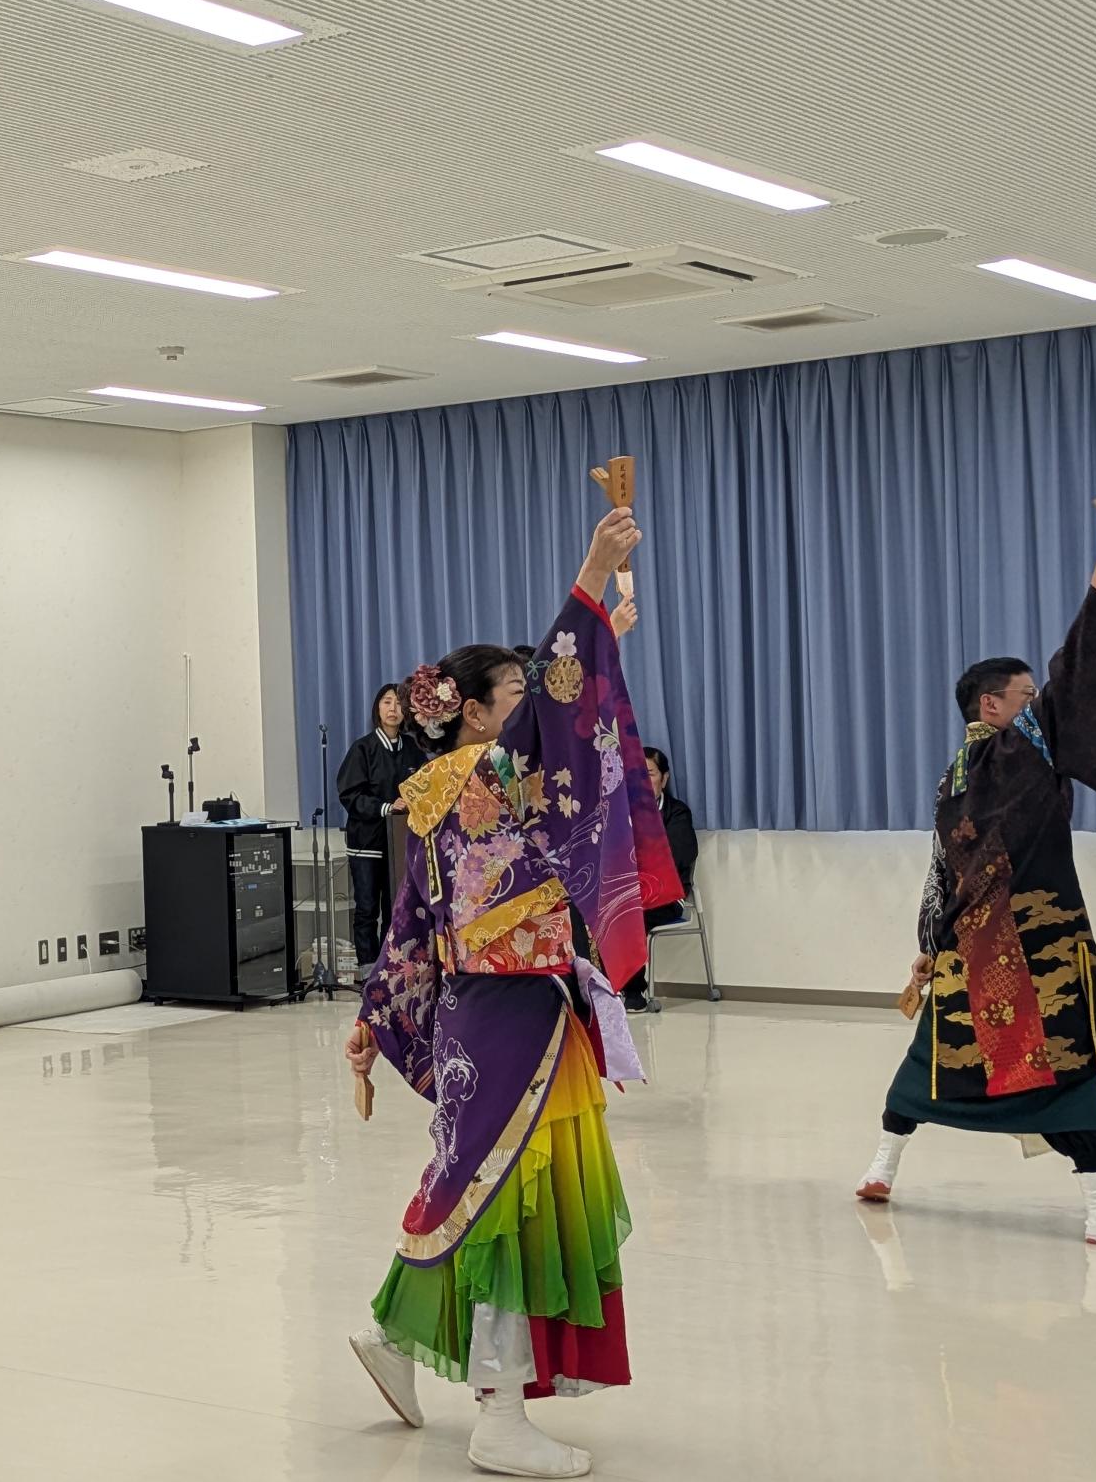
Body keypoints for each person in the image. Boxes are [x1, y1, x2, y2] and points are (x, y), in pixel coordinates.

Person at [344, 509, 680, 1479]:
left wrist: (374, 1013)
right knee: (509, 1200)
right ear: (481, 714)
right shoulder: (494, 773)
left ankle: (391, 1336)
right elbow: (563, 711)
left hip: (482, 1009)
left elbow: (408, 923)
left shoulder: (436, 791)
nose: (530, 706)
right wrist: (592, 575)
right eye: (514, 695)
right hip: (512, 1012)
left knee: (472, 1180)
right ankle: (497, 1413)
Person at [858, 522, 1096, 1243]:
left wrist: (930, 944)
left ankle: (881, 1167)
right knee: (1067, 1068)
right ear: (991, 706)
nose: (1040, 704)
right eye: (1026, 696)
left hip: (968, 947)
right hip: (1036, 949)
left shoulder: (952, 777)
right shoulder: (1018, 754)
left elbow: (939, 871)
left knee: (933, 1058)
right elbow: (1078, 668)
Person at [336, 685, 427, 970]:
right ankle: (367, 969)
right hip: (367, 842)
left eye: (398, 703)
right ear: (377, 708)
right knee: (366, 908)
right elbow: (350, 794)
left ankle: (390, 967)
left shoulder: (413, 749)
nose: (393, 709)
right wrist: (387, 807)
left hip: (399, 843)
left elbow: (424, 786)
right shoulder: (363, 748)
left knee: (396, 907)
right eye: (387, 702)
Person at [617, 747, 697, 1013]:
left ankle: (633, 991)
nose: (641, 781)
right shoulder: (619, 815)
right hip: (627, 892)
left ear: (664, 778)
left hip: (666, 896)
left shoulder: (677, 813)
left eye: (649, 773)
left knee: (631, 914)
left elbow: (680, 856)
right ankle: (597, 988)